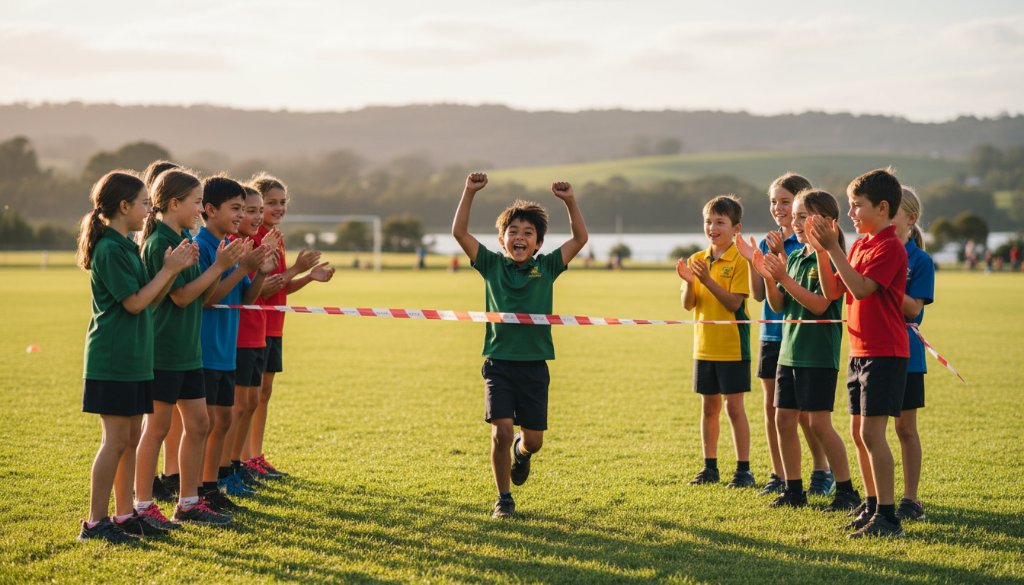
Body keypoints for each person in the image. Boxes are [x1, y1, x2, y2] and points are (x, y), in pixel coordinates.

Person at [452, 172, 588, 519]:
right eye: (513, 232)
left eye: (528, 233)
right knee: (500, 431)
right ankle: (504, 499)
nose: (520, 237)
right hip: (499, 362)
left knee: (534, 440)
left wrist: (570, 200)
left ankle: (522, 454)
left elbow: (580, 238)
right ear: (501, 239)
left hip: (534, 365)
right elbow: (460, 234)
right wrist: (469, 192)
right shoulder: (491, 265)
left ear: (538, 243)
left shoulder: (548, 267)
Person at [76, 170, 195, 542]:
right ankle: (96, 523)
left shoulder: (126, 244)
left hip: (135, 358)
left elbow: (153, 300)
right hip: (113, 358)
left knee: (129, 438)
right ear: (123, 206)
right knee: (115, 440)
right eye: (144, 203)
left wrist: (172, 271)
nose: (149, 209)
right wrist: (170, 270)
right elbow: (134, 303)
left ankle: (125, 515)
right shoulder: (109, 248)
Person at [134, 169, 245, 529]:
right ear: (174, 203)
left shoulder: (183, 236)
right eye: (196, 202)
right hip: (165, 351)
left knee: (199, 422)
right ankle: (143, 504)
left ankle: (188, 502)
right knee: (158, 428)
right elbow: (181, 297)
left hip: (188, 352)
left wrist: (218, 269)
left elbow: (197, 294)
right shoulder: (160, 243)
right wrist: (220, 267)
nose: (200, 209)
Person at [810, 168, 909, 538]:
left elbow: (864, 288)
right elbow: (834, 290)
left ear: (882, 208)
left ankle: (888, 516)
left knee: (871, 433)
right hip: (859, 350)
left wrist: (834, 246)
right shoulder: (861, 244)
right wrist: (824, 251)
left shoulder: (889, 246)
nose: (850, 213)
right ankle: (871, 505)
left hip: (886, 351)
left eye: (857, 206)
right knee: (858, 432)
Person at [749, 189, 862, 512]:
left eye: (804, 216)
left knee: (818, 424)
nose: (796, 223)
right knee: (784, 419)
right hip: (789, 352)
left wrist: (782, 274)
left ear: (828, 222)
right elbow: (780, 305)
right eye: (795, 216)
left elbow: (819, 303)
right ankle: (793, 489)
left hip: (818, 356)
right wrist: (771, 277)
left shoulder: (828, 258)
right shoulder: (795, 256)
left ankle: (845, 490)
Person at [736, 173, 831, 497]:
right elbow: (759, 296)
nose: (779, 208)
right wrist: (753, 262)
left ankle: (822, 470)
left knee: (806, 413)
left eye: (785, 201)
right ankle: (780, 475)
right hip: (772, 336)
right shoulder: (768, 241)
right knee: (775, 410)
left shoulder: (808, 242)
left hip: (801, 337)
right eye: (773, 201)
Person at [246, 172, 334, 478]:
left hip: (274, 326)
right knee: (250, 396)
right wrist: (299, 267)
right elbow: (265, 287)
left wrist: (308, 277)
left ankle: (255, 455)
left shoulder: (277, 237)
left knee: (263, 393)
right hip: (255, 327)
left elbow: (280, 289)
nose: (278, 208)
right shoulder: (255, 238)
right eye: (271, 203)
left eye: (282, 202)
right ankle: (244, 459)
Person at [196, 176, 274, 515]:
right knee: (207, 424)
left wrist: (257, 272)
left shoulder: (230, 246)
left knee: (223, 420)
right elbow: (208, 299)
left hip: (225, 348)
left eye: (245, 209)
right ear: (209, 210)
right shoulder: (206, 247)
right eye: (238, 208)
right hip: (206, 347)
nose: (243, 216)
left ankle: (211, 487)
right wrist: (242, 265)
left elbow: (245, 298)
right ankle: (195, 489)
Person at [677, 195, 754, 489]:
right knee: (709, 408)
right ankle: (710, 467)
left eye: (720, 222)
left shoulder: (740, 260)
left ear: (736, 227)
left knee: (734, 408)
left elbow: (735, 303)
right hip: (704, 346)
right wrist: (688, 281)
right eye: (709, 222)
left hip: (732, 346)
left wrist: (708, 280)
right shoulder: (697, 260)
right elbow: (688, 304)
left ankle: (743, 470)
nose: (713, 227)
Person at [224, 186, 284, 494]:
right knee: (234, 407)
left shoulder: (263, 241)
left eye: (260, 211)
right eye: (252, 210)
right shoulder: (236, 245)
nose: (258, 216)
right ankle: (224, 471)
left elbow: (253, 291)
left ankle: (236, 465)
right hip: (240, 336)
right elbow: (244, 293)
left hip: (259, 333)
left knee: (248, 402)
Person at [891, 187, 935, 521]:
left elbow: (914, 313)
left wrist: (888, 279)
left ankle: (910, 499)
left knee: (906, 430)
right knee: (867, 431)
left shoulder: (919, 261)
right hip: (873, 353)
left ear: (910, 218)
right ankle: (878, 499)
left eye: (893, 212)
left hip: (907, 357)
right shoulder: (870, 250)